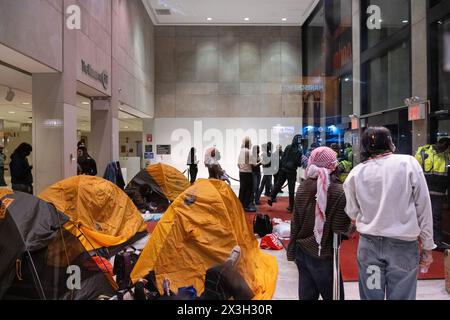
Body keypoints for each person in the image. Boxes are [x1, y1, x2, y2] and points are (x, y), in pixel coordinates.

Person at [343, 127, 435, 300]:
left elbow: (352, 213)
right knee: (402, 296)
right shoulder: (408, 163)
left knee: (372, 294)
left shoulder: (356, 173)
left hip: (369, 247)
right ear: (389, 142)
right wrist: (428, 245)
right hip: (403, 246)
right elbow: (423, 206)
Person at [287, 147, 352, 300]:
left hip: (302, 251)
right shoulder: (338, 191)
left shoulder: (303, 186)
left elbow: (295, 222)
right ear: (333, 165)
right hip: (323, 254)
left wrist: (291, 250)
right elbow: (339, 227)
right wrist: (353, 227)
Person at [415, 137, 450, 251]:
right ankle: (416, 238)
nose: (447, 150)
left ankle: (437, 241)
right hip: (423, 191)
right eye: (447, 148)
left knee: (436, 217)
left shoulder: (447, 156)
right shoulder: (423, 152)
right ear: (443, 144)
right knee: (419, 215)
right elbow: (414, 170)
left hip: (439, 192)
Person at [268, 135, 305, 212]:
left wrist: (282, 166)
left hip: (283, 169)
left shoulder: (288, 147)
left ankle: (271, 197)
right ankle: (291, 206)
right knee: (291, 189)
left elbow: (283, 157)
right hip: (291, 171)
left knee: (278, 184)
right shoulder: (299, 151)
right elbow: (298, 163)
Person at [238, 137, 255, 212]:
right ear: (248, 143)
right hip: (248, 173)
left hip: (241, 172)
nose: (251, 144)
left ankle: (240, 205)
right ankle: (246, 206)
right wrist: (261, 162)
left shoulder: (241, 151)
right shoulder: (248, 151)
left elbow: (238, 164)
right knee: (249, 189)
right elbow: (253, 164)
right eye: (250, 142)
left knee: (242, 189)